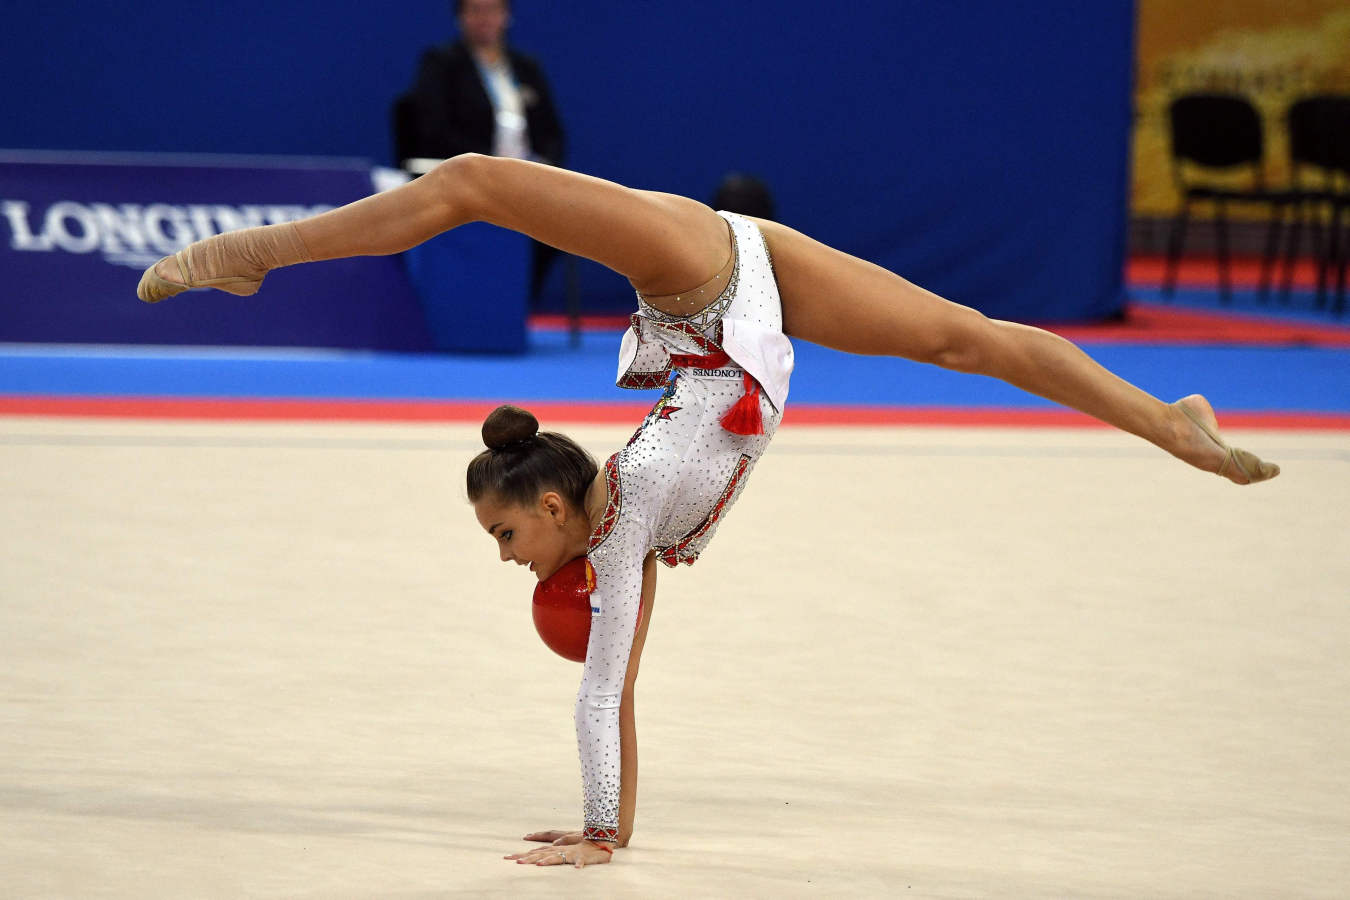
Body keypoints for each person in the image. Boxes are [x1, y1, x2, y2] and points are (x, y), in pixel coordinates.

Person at [135, 152, 1279, 868]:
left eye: (504, 537)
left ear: (548, 502)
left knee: (474, 183)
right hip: (750, 284)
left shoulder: (621, 508)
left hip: (699, 281)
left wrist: (596, 834)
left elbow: (600, 690)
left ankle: (252, 255)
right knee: (965, 338)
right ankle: (1169, 424)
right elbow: (615, 688)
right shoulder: (620, 526)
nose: (506, 561)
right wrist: (608, 831)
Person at [398, 0, 565, 166]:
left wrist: (545, 165)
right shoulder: (441, 63)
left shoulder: (527, 66)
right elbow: (435, 131)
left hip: (528, 174)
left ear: (506, 14)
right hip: (470, 173)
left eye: (492, 9)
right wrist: (489, 163)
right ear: (460, 16)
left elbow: (551, 133)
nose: (485, 18)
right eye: (475, 9)